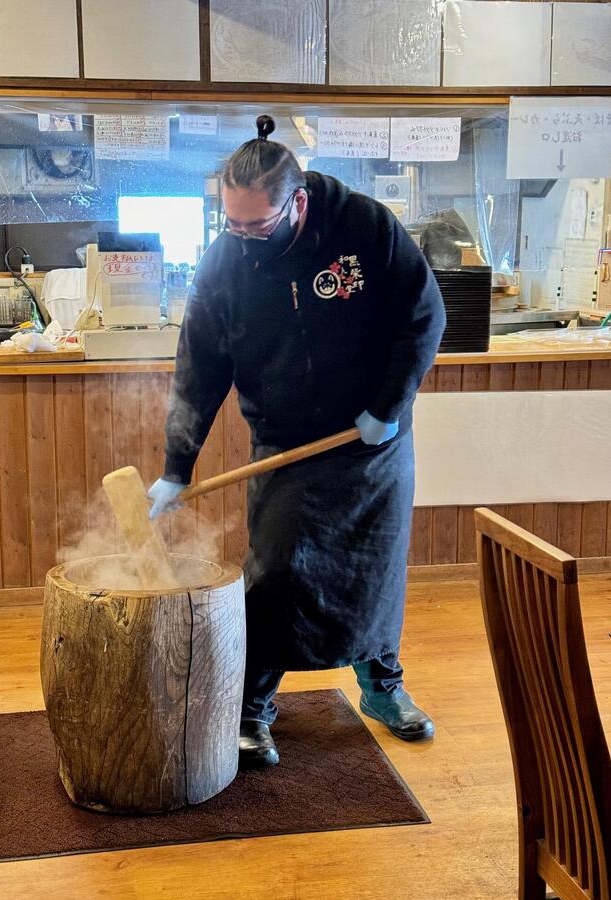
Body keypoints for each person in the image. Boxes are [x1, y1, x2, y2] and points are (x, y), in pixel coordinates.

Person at [148, 115, 446, 768]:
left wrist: (388, 405)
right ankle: (251, 708)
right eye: (232, 222)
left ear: (298, 201)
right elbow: (199, 367)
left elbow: (424, 314)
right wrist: (177, 465)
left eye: (258, 224)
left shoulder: (363, 227)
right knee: (275, 572)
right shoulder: (226, 263)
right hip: (286, 442)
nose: (245, 237)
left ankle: (382, 690)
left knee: (377, 569)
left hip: (372, 439)